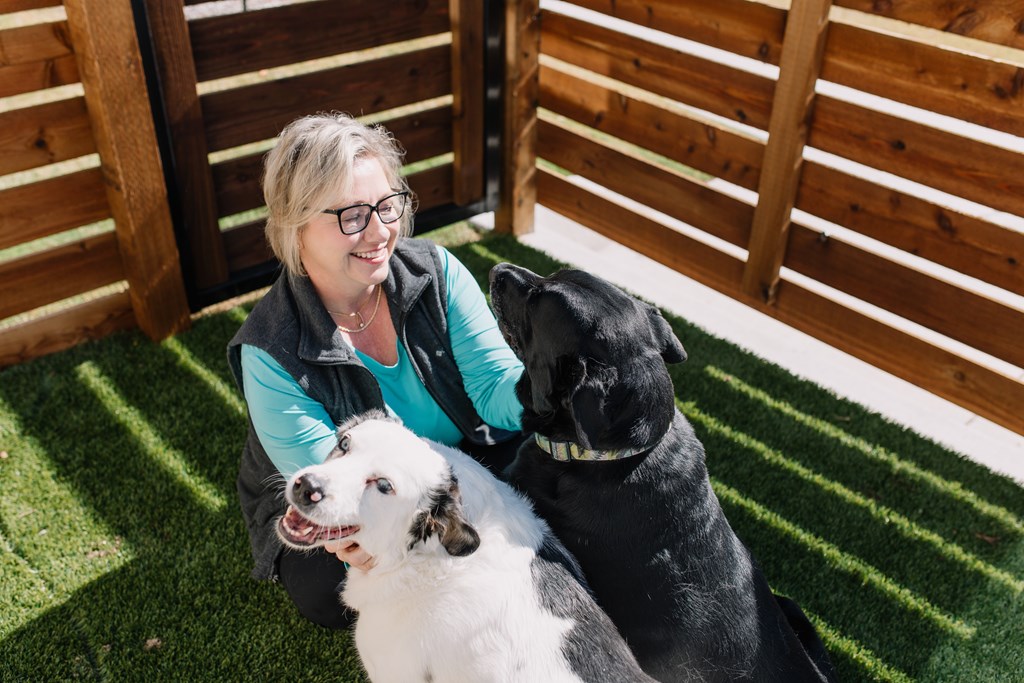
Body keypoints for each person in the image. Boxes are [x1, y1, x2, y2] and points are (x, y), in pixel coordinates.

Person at [226, 112, 524, 629]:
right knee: (326, 589)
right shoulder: (268, 351)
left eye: (387, 205)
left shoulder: (438, 274)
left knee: (549, 474)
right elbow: (339, 491)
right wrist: (361, 542)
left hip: (455, 458)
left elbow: (495, 387)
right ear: (295, 226)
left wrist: (546, 390)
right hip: (346, 489)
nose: (381, 231)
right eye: (351, 215)